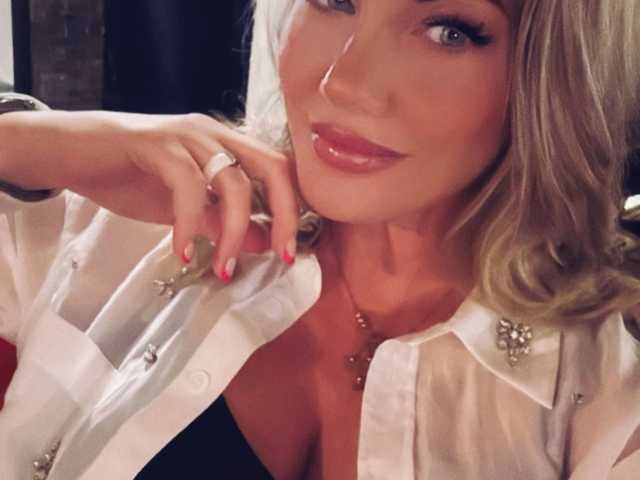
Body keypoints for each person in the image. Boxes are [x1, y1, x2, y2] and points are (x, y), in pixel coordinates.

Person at [1, 0, 640, 479]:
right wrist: (35, 141)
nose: (344, 81)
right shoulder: (143, 214)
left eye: (448, 30)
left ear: (552, 77)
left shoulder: (607, 393)